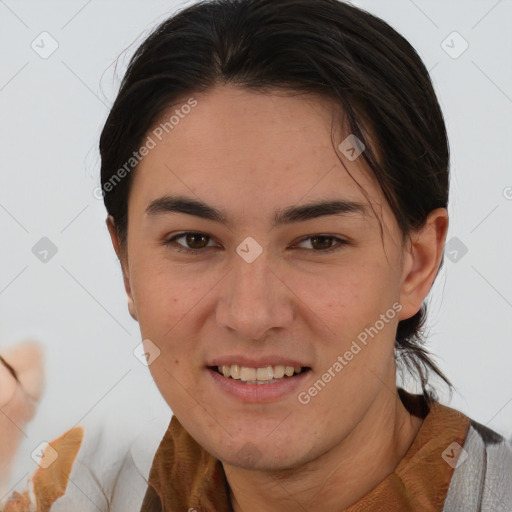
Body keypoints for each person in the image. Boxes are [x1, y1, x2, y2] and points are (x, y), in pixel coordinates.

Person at [2, 0, 510, 511]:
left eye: (319, 242)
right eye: (194, 241)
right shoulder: (60, 495)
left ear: (416, 264)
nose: (251, 316)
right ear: (126, 265)